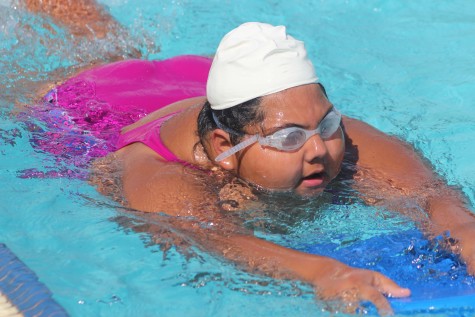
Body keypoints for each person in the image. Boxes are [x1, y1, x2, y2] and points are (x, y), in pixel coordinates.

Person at [21, 2, 475, 312]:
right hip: (94, 101)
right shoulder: (157, 171)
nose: (319, 150)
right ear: (223, 149)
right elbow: (213, 241)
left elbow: (431, 193)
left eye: (327, 126)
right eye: (290, 139)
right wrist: (324, 272)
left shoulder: (306, 119)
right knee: (74, 63)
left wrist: (463, 230)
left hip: (195, 78)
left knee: (118, 46)